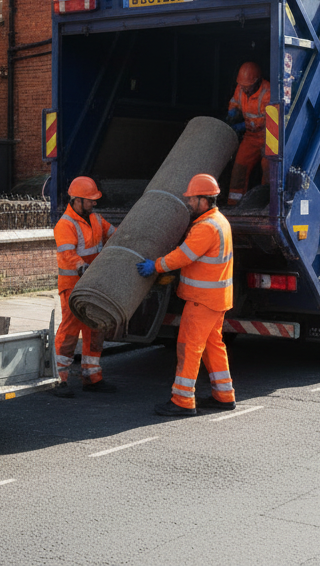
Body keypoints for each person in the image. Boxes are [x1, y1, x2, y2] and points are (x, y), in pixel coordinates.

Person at [136, 173, 236, 416]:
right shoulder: (219, 221)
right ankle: (224, 396)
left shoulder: (206, 227)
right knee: (213, 346)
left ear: (204, 200)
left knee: (189, 347)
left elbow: (183, 256)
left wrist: (156, 265)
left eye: (192, 198)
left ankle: (182, 400)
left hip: (202, 300)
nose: (189, 202)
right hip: (216, 299)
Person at [51, 176, 118, 398]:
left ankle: (92, 377)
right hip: (73, 286)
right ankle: (58, 379)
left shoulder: (96, 219)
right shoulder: (65, 225)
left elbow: (114, 234)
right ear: (77, 200)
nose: (94, 203)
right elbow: (68, 254)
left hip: (92, 285)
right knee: (70, 331)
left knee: (95, 329)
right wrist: (82, 267)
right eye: (90, 200)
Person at [225, 61, 271, 205]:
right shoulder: (241, 88)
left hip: (268, 136)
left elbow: (270, 121)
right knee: (240, 167)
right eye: (242, 86)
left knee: (268, 168)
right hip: (251, 137)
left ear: (256, 82)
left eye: (247, 86)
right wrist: (232, 112)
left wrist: (242, 126)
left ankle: (266, 204)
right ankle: (234, 204)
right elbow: (235, 102)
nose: (244, 89)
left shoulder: (267, 93)